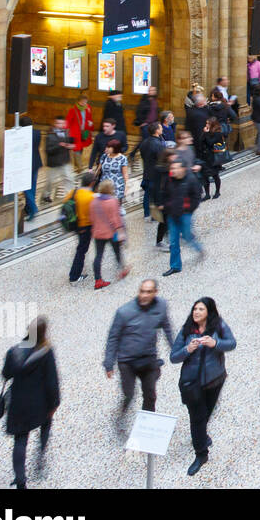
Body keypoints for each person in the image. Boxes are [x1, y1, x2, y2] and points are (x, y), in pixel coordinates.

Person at [170, 297, 235, 476]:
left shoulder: (218, 326)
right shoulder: (186, 330)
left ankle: (201, 436)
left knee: (206, 414)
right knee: (197, 418)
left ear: (209, 312)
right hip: (192, 383)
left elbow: (232, 343)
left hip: (215, 380)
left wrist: (216, 344)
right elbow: (173, 357)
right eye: (195, 309)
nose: (196, 312)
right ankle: (201, 454)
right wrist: (187, 350)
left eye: (201, 309)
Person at [1, 316, 60, 488]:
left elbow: (6, 374)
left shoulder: (14, 351)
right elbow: (52, 381)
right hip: (40, 403)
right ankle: (40, 456)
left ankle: (20, 479)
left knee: (20, 441)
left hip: (19, 404)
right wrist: (54, 403)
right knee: (46, 425)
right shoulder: (46, 352)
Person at [104, 279, 174, 419]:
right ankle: (121, 414)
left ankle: (145, 424)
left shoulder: (161, 306)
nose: (144, 295)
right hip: (127, 361)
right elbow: (113, 337)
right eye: (142, 291)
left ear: (155, 292)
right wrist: (109, 363)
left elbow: (166, 327)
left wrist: (175, 348)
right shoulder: (124, 312)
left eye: (148, 292)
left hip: (148, 358)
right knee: (129, 394)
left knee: (150, 395)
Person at [161, 159, 205, 276]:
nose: (173, 170)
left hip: (185, 214)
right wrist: (166, 206)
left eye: (175, 168)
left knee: (187, 236)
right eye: (172, 168)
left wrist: (189, 209)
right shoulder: (169, 179)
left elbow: (197, 196)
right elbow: (164, 194)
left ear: (183, 169)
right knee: (173, 242)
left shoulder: (191, 179)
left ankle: (199, 248)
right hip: (172, 215)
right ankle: (175, 266)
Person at [88, 181, 128, 289]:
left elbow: (91, 218)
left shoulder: (93, 202)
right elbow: (116, 219)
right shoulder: (113, 201)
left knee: (98, 255)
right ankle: (122, 270)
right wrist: (121, 231)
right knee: (117, 252)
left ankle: (98, 280)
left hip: (97, 233)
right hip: (111, 232)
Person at [65, 172, 97, 283]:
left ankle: (77, 271)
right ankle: (74, 276)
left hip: (74, 225)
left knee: (80, 248)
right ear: (92, 183)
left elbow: (66, 203)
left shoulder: (73, 192)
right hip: (85, 227)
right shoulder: (90, 197)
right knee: (81, 250)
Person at [39, 116, 76, 203]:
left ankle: (70, 196)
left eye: (63, 123)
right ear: (55, 124)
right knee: (50, 181)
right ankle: (46, 195)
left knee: (69, 178)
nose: (61, 125)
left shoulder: (66, 132)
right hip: (54, 163)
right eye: (59, 123)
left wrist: (70, 146)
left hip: (65, 161)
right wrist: (59, 145)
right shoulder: (50, 135)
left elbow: (68, 143)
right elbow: (48, 150)